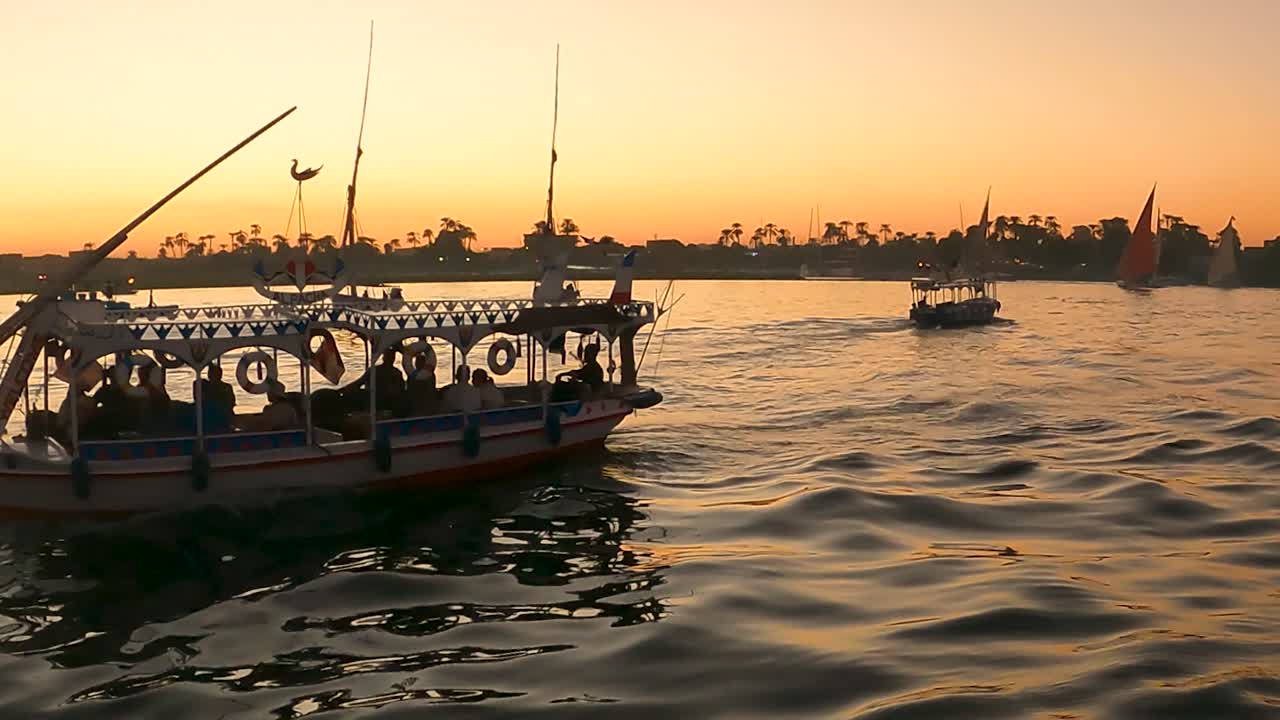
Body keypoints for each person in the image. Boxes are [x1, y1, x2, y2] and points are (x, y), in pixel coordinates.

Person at [196, 364, 236, 433]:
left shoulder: (207, 387)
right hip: (221, 418)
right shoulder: (226, 387)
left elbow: (231, 403)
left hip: (217, 419)